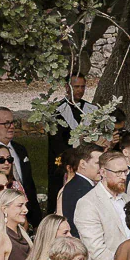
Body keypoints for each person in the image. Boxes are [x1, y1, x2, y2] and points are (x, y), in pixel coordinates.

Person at [75, 150, 130, 260]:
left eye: (125, 171)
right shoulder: (88, 203)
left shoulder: (127, 199)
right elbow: (97, 250)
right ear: (102, 173)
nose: (123, 176)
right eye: (118, 172)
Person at [49, 73, 92, 207]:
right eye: (76, 86)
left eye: (82, 87)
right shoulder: (57, 111)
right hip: (65, 160)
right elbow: (56, 141)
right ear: (68, 87)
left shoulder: (91, 109)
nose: (80, 90)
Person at [60, 143, 101, 234]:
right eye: (98, 163)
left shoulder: (76, 184)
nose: (102, 167)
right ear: (82, 164)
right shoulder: (82, 189)